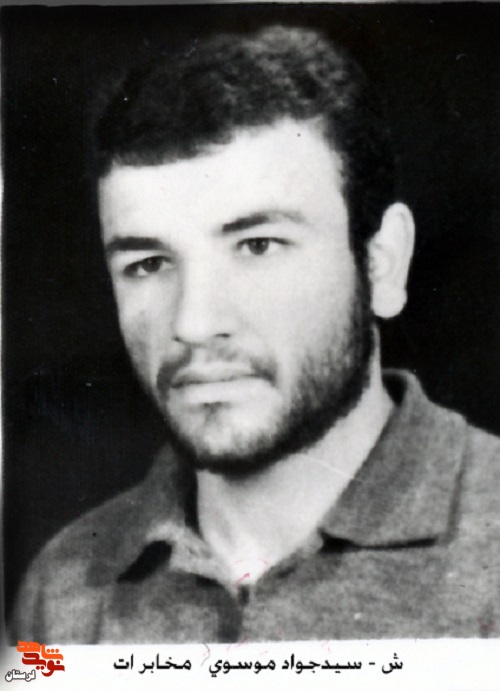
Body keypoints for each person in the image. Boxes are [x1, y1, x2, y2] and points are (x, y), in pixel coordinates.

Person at [11, 25, 499, 643]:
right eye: (149, 264)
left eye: (258, 246)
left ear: (382, 264)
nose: (193, 324)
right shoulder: (62, 595)